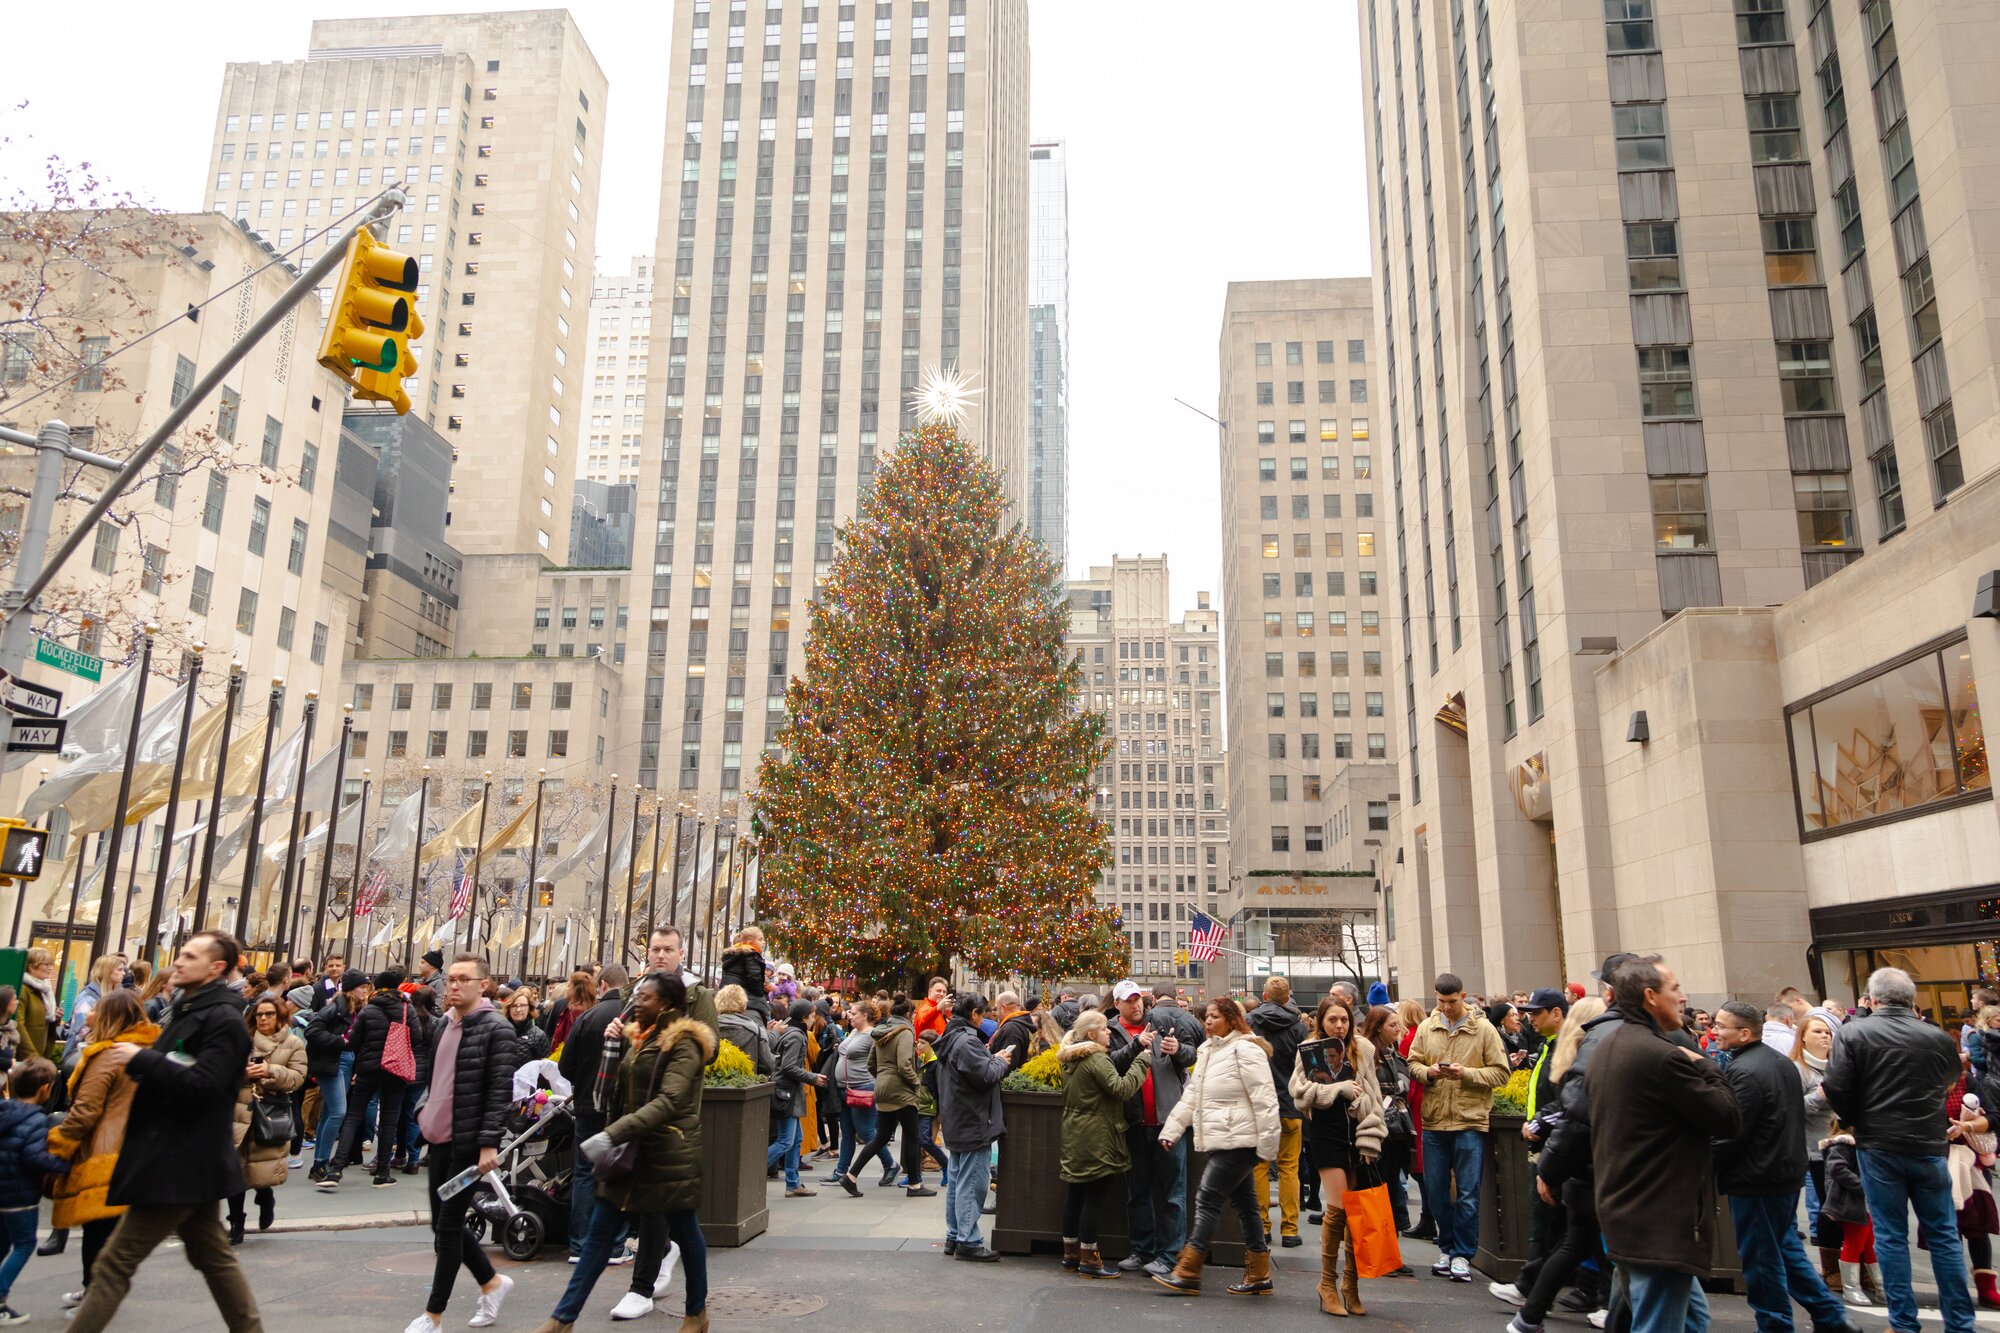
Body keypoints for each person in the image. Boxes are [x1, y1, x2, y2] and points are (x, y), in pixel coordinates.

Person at [66, 931, 263, 1333]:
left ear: (216, 968)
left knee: (113, 1264)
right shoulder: (190, 1009)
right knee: (214, 1259)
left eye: (190, 956)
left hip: (177, 1162)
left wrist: (141, 1059)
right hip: (186, 1160)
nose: (179, 961)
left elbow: (204, 1086)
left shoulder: (223, 1019)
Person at [535, 971, 712, 1333]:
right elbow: (622, 1092)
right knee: (599, 1237)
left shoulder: (686, 1043)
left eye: (644, 997)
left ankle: (696, 1312)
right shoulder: (639, 1038)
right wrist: (614, 1047)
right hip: (629, 1156)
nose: (636, 1001)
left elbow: (670, 1100)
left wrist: (612, 1134)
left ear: (666, 1004)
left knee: (686, 1234)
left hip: (668, 1156)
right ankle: (562, 1319)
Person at [1587, 956, 1740, 1333]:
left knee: (1690, 1318)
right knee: (1660, 1321)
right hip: (1658, 1222)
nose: (1684, 997)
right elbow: (1727, 1116)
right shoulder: (1661, 1057)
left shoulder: (1611, 1045)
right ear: (1651, 996)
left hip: (1629, 1212)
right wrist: (1704, 1063)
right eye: (1675, 989)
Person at [1823, 965, 1977, 1333]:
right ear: (1912, 1001)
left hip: (1879, 1143)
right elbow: (1948, 1079)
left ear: (1873, 1000)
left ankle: (1904, 1322)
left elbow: (1837, 1086)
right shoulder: (1936, 1036)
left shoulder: (1855, 1033)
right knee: (1943, 1235)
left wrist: (1856, 1118)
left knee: (1891, 1235)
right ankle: (1960, 1323)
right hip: (1927, 1141)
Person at [1709, 1000, 1859, 1333]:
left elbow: (1735, 1131)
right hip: (1784, 1172)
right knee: (1786, 1248)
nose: (1715, 1031)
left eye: (1721, 1026)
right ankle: (1831, 1317)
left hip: (1758, 1178)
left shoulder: (1745, 1070)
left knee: (1763, 1260)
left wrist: (1709, 1166)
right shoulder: (1779, 1063)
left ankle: (1776, 1325)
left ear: (1745, 1033)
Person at [405, 954, 519, 1333]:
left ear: (482, 984)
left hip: (468, 1143)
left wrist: (489, 1144)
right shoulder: (443, 1025)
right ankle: (491, 1282)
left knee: (449, 1228)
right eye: (451, 979)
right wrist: (424, 1110)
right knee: (442, 1224)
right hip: (438, 1138)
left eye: (462, 979)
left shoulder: (496, 1029)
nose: (453, 985)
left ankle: (433, 1315)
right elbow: (436, 1077)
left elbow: (499, 1091)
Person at [1152, 996, 1282, 1298]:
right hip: (1222, 1138)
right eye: (1206, 1016)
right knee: (1246, 1205)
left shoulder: (1247, 1050)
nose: (1208, 1021)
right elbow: (1191, 1096)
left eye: (1215, 1016)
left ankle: (1188, 1270)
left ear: (1232, 1019)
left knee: (1208, 1197)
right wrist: (1172, 1130)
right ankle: (1259, 1273)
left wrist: (1267, 1148)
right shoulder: (1208, 1051)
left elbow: (1265, 1100)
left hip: (1241, 1140)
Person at [1497, 998, 1609, 1333]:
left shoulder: (1577, 1051)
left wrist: (1546, 1155)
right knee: (1574, 1239)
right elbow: (1570, 1110)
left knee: (1575, 1240)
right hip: (1581, 1162)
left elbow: (1570, 1111)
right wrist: (1543, 1141)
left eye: (1535, 1012)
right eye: (1526, 1013)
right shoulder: (1570, 1051)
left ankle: (1536, 1306)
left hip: (1580, 1161)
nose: (1529, 1018)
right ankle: (1537, 1304)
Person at [46, 990, 155, 1311]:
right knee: (115, 1230)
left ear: (109, 1017)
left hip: (103, 1152)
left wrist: (58, 1144)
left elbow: (84, 1112)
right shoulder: (149, 1050)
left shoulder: (107, 1055)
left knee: (97, 1228)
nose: (90, 1012)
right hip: (139, 1147)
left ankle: (95, 1293)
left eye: (96, 1009)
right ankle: (99, 1290)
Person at [1406, 971, 1511, 1282]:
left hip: (1470, 1121)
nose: (1446, 1007)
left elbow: (1501, 1073)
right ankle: (1448, 1247)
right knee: (1436, 1191)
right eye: (1440, 1001)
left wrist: (1466, 1073)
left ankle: (1462, 1254)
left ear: (1463, 997)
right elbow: (1413, 1065)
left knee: (1467, 1193)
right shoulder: (1428, 1026)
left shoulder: (1484, 1030)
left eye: (1451, 1001)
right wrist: (1430, 1073)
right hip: (1435, 1120)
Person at [1291, 994, 1386, 1317]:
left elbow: (1374, 1096)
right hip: (1326, 1134)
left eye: (1344, 1019)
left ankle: (1351, 1283)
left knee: (1357, 1212)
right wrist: (1337, 1090)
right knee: (1338, 1207)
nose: (1339, 1025)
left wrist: (1371, 1137)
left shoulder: (1364, 1050)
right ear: (1321, 1021)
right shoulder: (1311, 1050)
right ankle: (1327, 1284)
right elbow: (1300, 1093)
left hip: (1358, 1135)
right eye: (1332, 1019)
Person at [1105, 978, 1195, 1277]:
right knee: (1138, 1191)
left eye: (1139, 999)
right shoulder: (1112, 1031)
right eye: (1128, 1000)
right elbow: (1109, 1066)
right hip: (1134, 1124)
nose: (1135, 1004)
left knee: (1173, 1193)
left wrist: (1178, 1048)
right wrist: (1135, 1045)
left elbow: (1193, 1055)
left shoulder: (1163, 1021)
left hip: (1169, 1122)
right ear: (1117, 1004)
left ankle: (1169, 1254)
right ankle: (1141, 1249)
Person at [1058, 1010, 1153, 1278]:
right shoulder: (1096, 1058)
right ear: (1091, 1035)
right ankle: (1090, 1259)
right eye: (1103, 1028)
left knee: (1076, 1194)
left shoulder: (1070, 1057)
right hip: (1097, 1135)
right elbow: (1121, 1089)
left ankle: (1070, 1255)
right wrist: (1141, 1062)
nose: (1109, 1031)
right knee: (1094, 1198)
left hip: (1075, 1133)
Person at [326, 967, 424, 1191]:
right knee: (390, 1119)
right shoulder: (406, 1009)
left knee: (353, 1116)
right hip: (395, 1070)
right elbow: (417, 1038)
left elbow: (353, 1041)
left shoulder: (369, 1009)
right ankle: (382, 1173)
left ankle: (336, 1168)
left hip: (368, 1068)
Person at [560, 965, 632, 1263]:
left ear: (602, 985)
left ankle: (579, 1245)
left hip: (589, 1105)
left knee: (585, 1172)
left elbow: (565, 1066)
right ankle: (614, 1246)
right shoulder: (635, 1016)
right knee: (620, 1173)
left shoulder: (588, 1017)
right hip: (623, 1108)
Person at [227, 995, 307, 1244]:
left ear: (280, 1016)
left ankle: (265, 1197)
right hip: (238, 1112)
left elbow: (297, 1077)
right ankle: (236, 1221)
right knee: (235, 1171)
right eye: (259, 1014)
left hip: (270, 1113)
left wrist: (270, 1071)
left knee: (260, 1170)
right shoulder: (242, 1041)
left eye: (269, 1014)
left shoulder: (293, 1043)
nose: (263, 1018)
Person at [936, 992, 1009, 1261]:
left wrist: (990, 1057)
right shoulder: (967, 1041)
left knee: (958, 1180)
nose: (986, 1017)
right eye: (983, 1013)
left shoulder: (953, 1037)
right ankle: (968, 1239)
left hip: (958, 1119)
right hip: (972, 1120)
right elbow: (986, 1075)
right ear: (974, 1014)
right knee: (973, 1183)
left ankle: (955, 1235)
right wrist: (999, 1061)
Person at [0, 1058, 70, 1322]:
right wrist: (63, 1165)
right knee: (24, 1244)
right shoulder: (36, 1120)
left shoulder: (4, 1111)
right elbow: (34, 1157)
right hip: (20, 1194)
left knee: (3, 1242)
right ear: (45, 1088)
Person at [838, 995, 930, 1197]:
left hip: (881, 1088)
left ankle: (851, 1176)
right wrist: (916, 1084)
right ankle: (915, 1185)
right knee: (913, 1138)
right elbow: (904, 1064)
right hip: (901, 1091)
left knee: (880, 1137)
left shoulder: (880, 1031)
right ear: (908, 1014)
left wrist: (881, 1079)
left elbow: (871, 1063)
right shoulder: (905, 1032)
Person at [1248, 975, 1308, 1250]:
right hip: (1290, 1106)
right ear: (1287, 998)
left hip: (1260, 1105)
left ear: (1264, 996)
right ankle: (1290, 1229)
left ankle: (1262, 1226)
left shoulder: (1251, 1023)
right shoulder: (1298, 1027)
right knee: (1289, 1168)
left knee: (1260, 1166)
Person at [1791, 1008, 1842, 1295]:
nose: (1825, 1036)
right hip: (1816, 1149)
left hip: (1845, 1146)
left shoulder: (1838, 1065)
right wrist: (1820, 1096)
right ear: (1803, 1037)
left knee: (1850, 1208)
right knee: (1828, 1206)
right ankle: (1831, 1269)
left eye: (1828, 1032)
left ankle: (1854, 1263)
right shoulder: (1797, 1068)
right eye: (1818, 1032)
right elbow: (1794, 1108)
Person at [1361, 1004, 1418, 1238]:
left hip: (1399, 1130)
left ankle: (1389, 1241)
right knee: (1378, 1186)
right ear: (1378, 1027)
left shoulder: (1396, 1054)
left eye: (1398, 1024)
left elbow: (1404, 1086)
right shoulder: (1369, 1055)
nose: (1398, 1029)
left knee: (1393, 1183)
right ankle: (1378, 1243)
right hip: (1379, 1127)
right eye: (1392, 1025)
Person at [767, 1000, 826, 1197]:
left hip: (788, 1093)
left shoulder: (792, 1032)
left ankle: (793, 1183)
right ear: (803, 1017)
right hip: (787, 1093)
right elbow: (788, 1067)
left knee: (795, 1139)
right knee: (786, 1140)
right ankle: (751, 1170)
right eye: (812, 1015)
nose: (814, 1019)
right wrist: (813, 1078)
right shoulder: (797, 1036)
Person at [644, 928, 720, 1037]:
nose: (661, 955)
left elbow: (711, 1046)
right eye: (656, 949)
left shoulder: (698, 994)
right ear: (648, 953)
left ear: (681, 954)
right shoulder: (635, 990)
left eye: (668, 949)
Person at [715, 984, 772, 1074]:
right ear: (744, 1003)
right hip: (746, 1083)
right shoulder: (754, 1029)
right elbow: (768, 1065)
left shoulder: (709, 1028)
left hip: (712, 1085)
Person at [718, 927, 771, 1020]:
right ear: (750, 942)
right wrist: (759, 994)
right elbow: (754, 978)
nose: (763, 942)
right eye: (760, 939)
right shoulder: (751, 957)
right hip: (746, 1000)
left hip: (728, 998)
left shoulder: (731, 956)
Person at [18, 949, 56, 1063]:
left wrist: (55, 1015)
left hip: (41, 1053)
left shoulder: (45, 989)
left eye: (51, 964)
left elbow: (42, 1015)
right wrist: (33, 1055)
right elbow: (18, 1025)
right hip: (26, 1059)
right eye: (47, 964)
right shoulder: (23, 989)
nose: (51, 968)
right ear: (31, 966)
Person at [988, 991, 1035, 1071]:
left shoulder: (1011, 1028)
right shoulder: (1018, 1024)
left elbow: (1009, 1064)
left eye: (996, 1008)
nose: (995, 1012)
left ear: (1003, 1008)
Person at [504, 989, 553, 1062]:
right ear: (508, 1009)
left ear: (529, 1008)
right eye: (514, 1006)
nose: (518, 1009)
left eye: (523, 1005)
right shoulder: (501, 1032)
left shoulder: (538, 1035)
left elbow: (545, 1067)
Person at [913, 976, 951, 1040]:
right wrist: (937, 1008)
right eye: (938, 991)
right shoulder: (925, 1008)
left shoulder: (941, 1011)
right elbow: (922, 1021)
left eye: (944, 992)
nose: (941, 994)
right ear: (930, 992)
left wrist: (949, 1013)